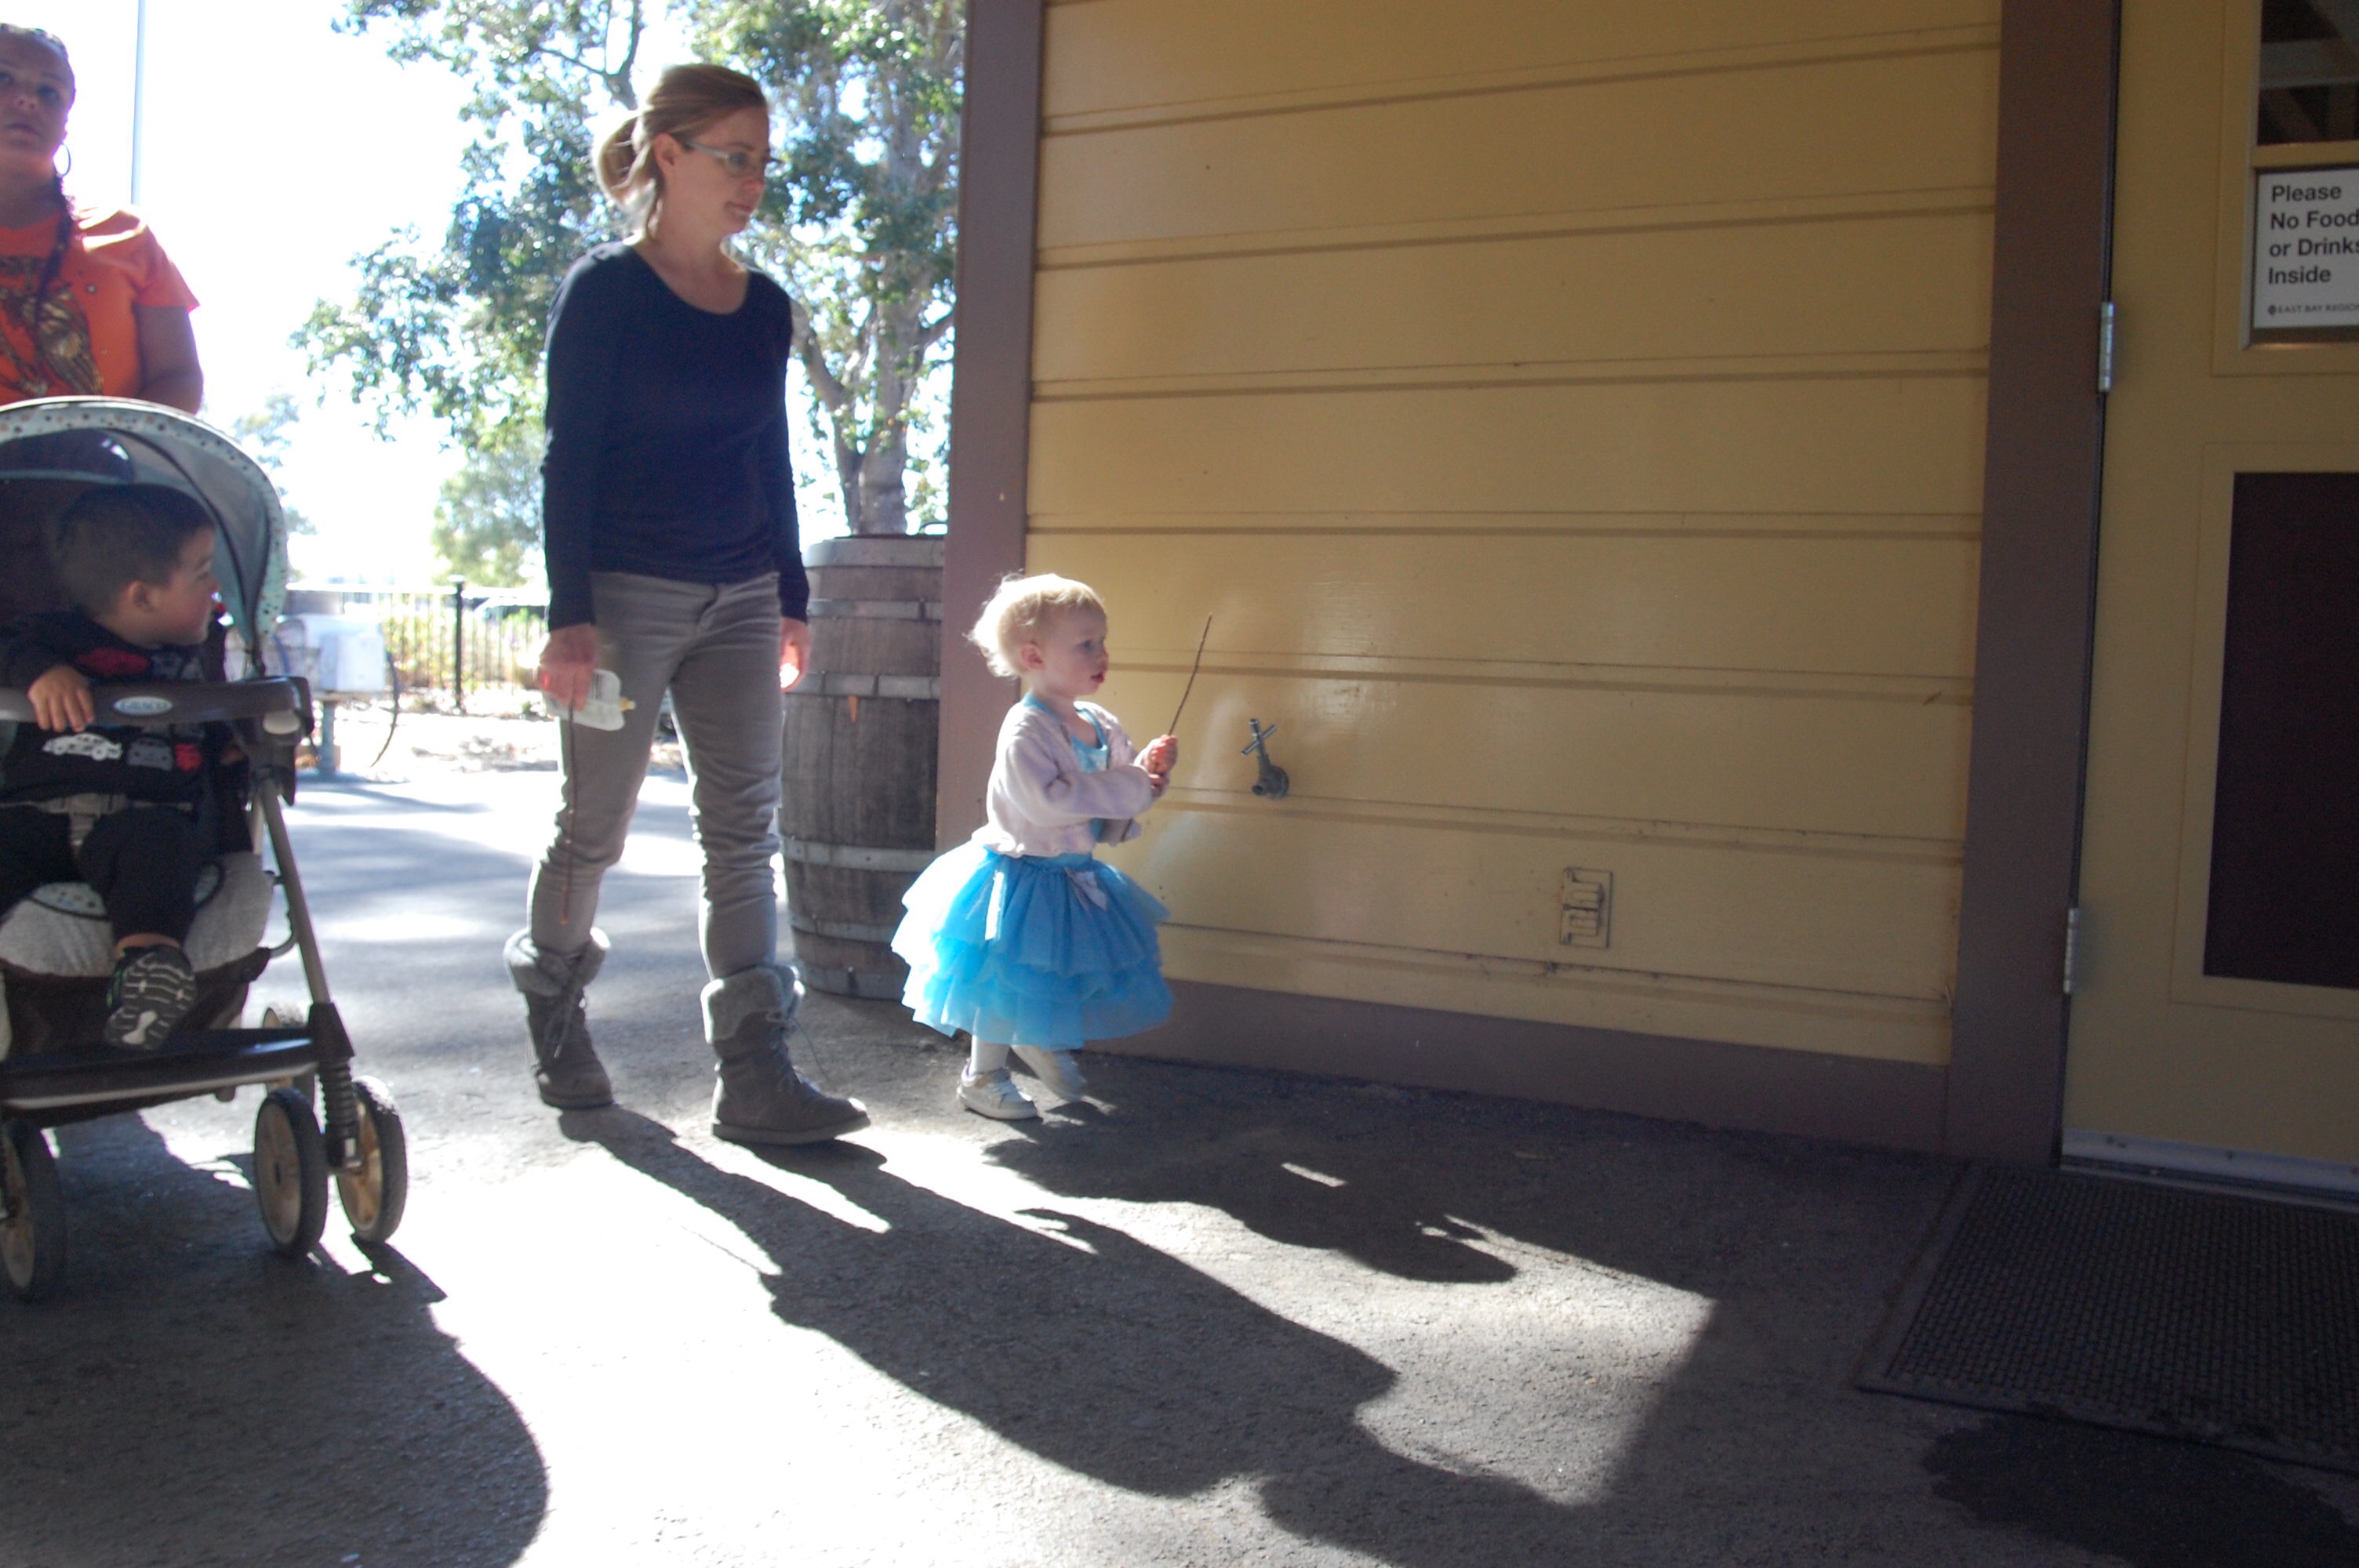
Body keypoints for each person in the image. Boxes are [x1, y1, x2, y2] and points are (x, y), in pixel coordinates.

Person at [512, 63, 867, 1146]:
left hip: (744, 595)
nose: (753, 180)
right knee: (594, 827)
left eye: (763, 162)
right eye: (735, 157)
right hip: (624, 598)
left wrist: (791, 596)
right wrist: (569, 615)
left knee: (744, 831)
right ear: (669, 154)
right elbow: (569, 460)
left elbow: (771, 457)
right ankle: (556, 1012)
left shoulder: (764, 308)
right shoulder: (606, 293)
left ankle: (755, 1073)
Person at [892, 575, 1180, 1120]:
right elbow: (1049, 802)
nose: (1102, 655)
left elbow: (1116, 793)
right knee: (1001, 978)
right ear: (1033, 657)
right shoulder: (1026, 729)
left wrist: (1148, 773)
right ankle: (983, 1075)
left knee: (1052, 970)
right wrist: (1131, 786)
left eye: (1102, 641)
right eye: (1086, 644)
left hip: (1073, 871)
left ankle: (1036, 1034)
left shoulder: (1099, 723)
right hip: (1020, 874)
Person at [0, 484, 231, 1047]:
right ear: (143, 597)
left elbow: (222, 727)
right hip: (33, 818)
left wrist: (242, 742)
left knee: (163, 853)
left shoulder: (200, 657)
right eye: (202, 573)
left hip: (142, 820)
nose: (215, 586)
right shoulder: (49, 637)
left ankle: (148, 970)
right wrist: (39, 673)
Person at [0, 25, 202, 411]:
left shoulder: (128, 235)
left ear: (67, 117)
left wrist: (112, 442)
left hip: (108, 452)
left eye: (48, 91)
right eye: (3, 78)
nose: (26, 99)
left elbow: (179, 378)